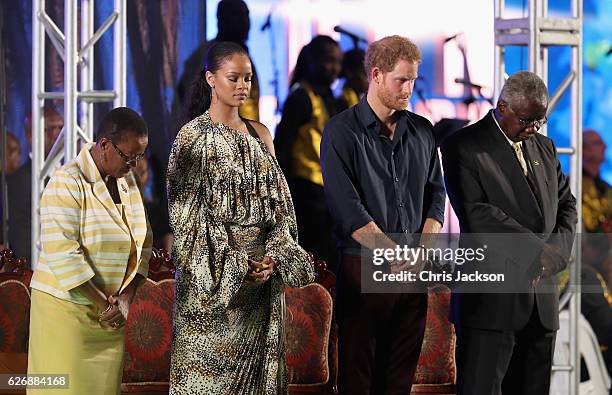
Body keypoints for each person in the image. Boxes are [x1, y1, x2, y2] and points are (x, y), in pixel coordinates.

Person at [167, 41, 314, 394]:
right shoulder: (192, 138)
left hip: (260, 291)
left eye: (247, 78)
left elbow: (280, 209)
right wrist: (235, 264)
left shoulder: (261, 135)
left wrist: (273, 257)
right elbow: (186, 219)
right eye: (233, 78)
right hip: (212, 291)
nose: (242, 86)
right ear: (211, 79)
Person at [320, 35, 445, 394]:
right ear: (376, 75)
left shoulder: (422, 131)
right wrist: (392, 253)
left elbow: (436, 195)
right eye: (401, 80)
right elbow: (347, 209)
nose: (409, 89)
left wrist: (422, 250)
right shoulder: (341, 131)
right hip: (364, 266)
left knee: (399, 381)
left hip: (413, 271)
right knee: (359, 380)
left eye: (413, 80)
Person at [441, 71, 577, 395]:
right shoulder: (463, 145)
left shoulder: (544, 147)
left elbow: (567, 206)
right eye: (527, 119)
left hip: (541, 303)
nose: (533, 128)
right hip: (491, 303)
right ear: (503, 106)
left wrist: (553, 255)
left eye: (540, 121)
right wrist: (536, 252)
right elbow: (478, 214)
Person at [27, 107, 153, 395]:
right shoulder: (67, 181)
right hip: (66, 316)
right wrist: (106, 305)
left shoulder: (127, 182)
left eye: (139, 156)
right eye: (129, 156)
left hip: (109, 320)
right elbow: (64, 253)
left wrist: (126, 297)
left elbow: (143, 242)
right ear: (105, 145)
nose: (134, 164)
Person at [274, 35, 342, 271]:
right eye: (328, 61)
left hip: (326, 192)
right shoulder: (301, 97)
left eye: (338, 62)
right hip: (305, 190)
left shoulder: (328, 98)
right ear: (312, 61)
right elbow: (282, 146)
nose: (334, 68)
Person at [172, 0, 260, 131]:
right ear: (222, 21)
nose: (245, 22)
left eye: (246, 15)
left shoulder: (242, 56)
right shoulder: (207, 58)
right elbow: (191, 105)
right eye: (237, 15)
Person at [6, 106, 63, 264]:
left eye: (61, 127)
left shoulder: (77, 174)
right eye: (49, 129)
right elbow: (22, 240)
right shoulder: (18, 183)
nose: (57, 135)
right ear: (31, 135)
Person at [336, 48, 368, 112]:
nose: (370, 80)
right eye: (365, 74)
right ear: (350, 73)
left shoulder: (358, 99)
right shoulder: (344, 102)